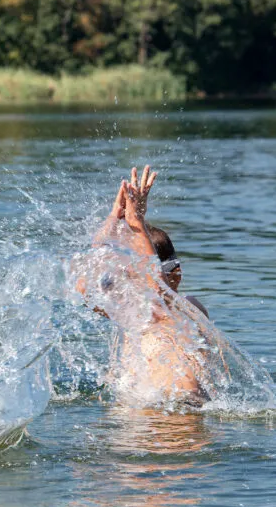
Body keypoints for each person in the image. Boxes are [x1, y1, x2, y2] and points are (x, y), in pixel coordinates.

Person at [88, 166, 209, 406]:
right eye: (126, 278)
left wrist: (136, 222)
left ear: (175, 275)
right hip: (145, 424)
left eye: (137, 277)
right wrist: (114, 218)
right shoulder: (131, 317)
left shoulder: (186, 309)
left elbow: (158, 295)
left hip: (179, 423)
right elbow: (89, 278)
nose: (130, 288)